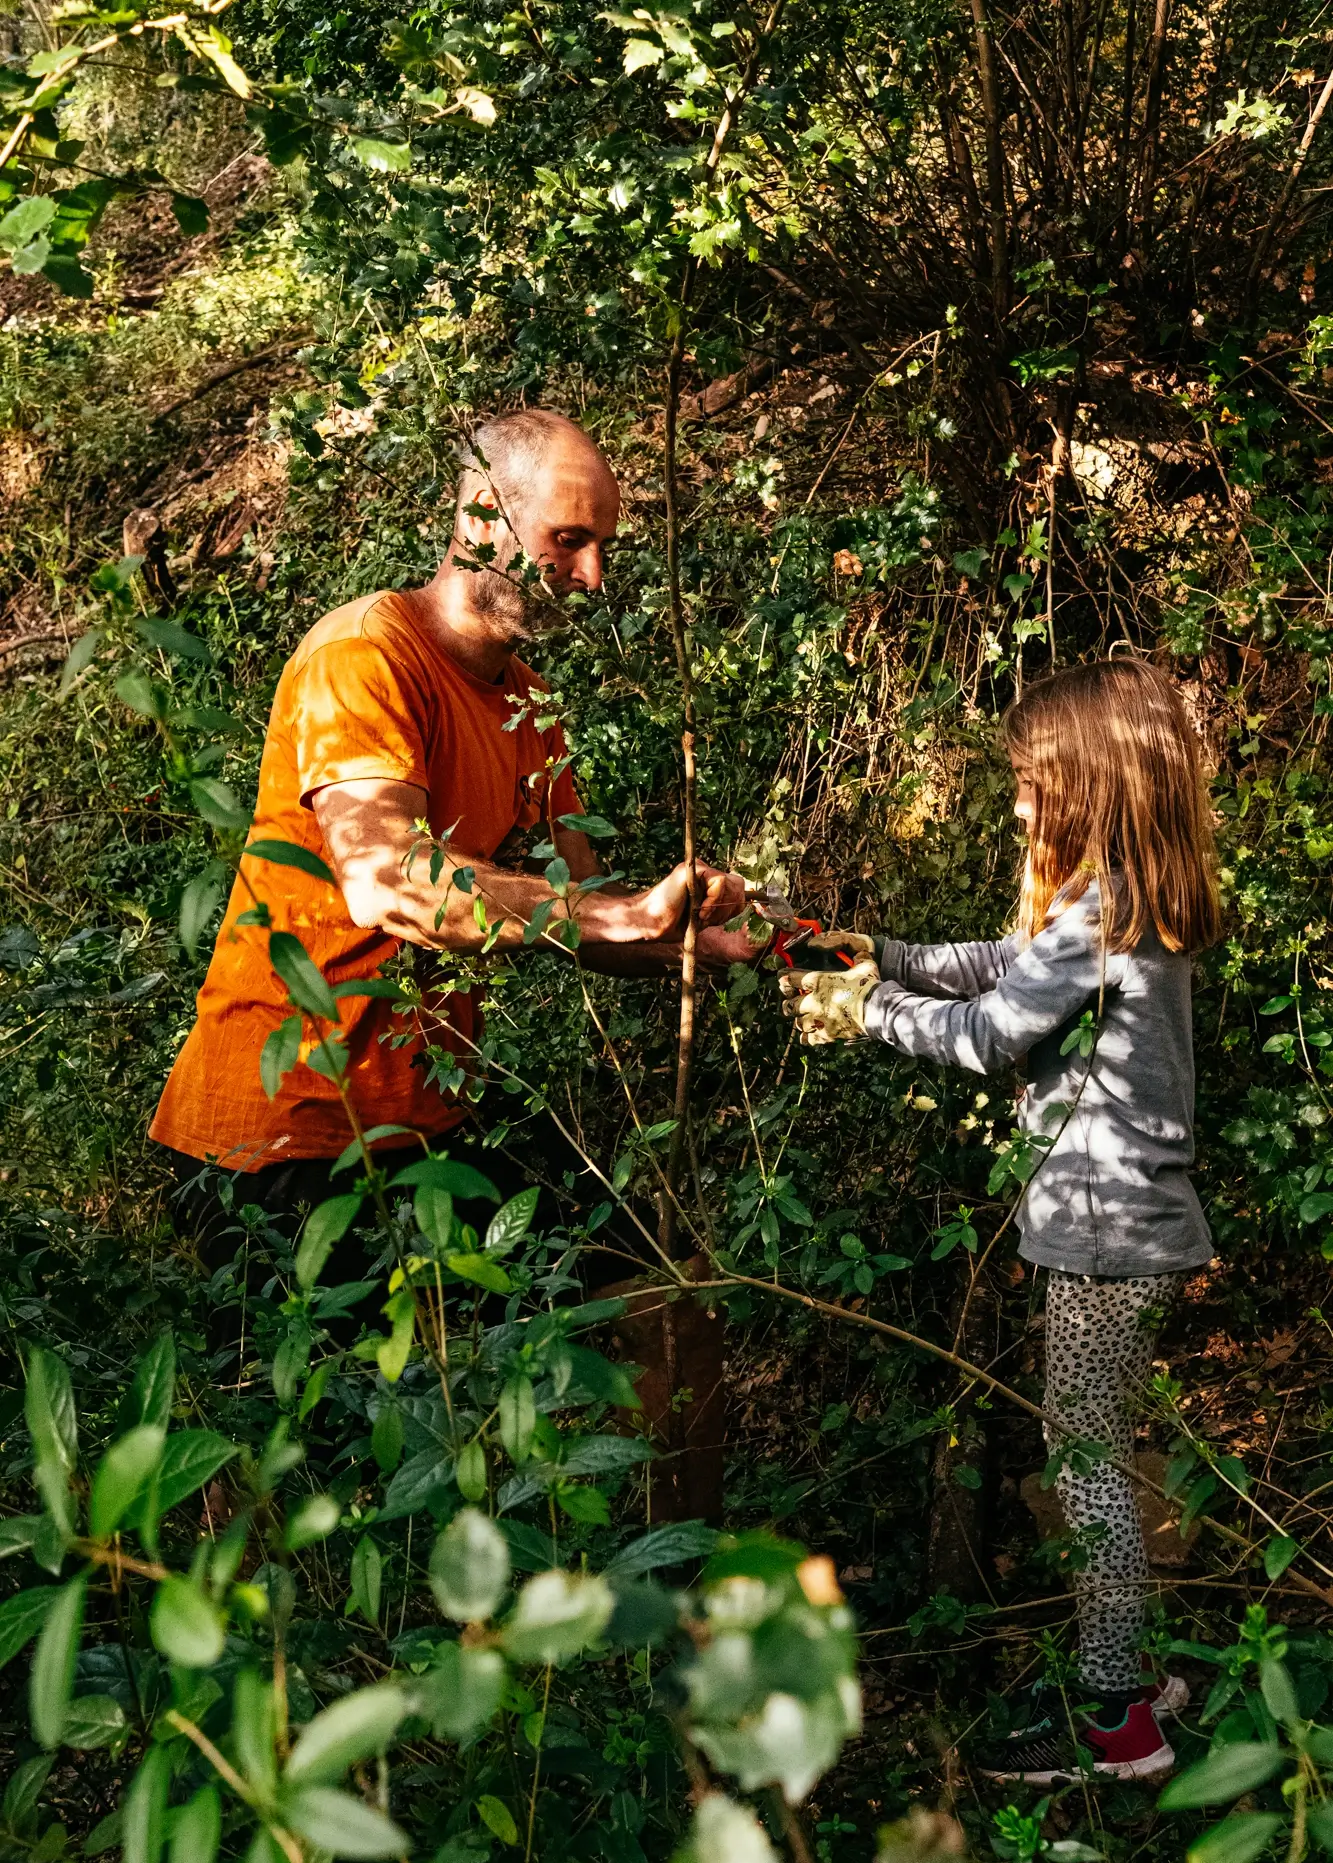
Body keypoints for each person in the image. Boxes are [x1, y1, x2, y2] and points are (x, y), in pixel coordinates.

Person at [151, 408, 752, 1514]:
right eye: (570, 539)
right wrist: (613, 918)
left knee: (664, 1285)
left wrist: (686, 928)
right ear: (483, 516)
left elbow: (588, 904)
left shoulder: (526, 700)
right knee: (357, 1478)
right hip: (279, 1139)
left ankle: (676, 1609)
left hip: (428, 1123)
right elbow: (394, 881)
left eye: (604, 544)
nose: (595, 574)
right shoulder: (362, 657)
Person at [781, 656, 1221, 1782]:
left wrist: (860, 1006)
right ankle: (1139, 1674)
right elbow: (1002, 969)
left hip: (1105, 1229)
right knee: (1097, 1456)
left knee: (1081, 1465)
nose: (1018, 800)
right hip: (1128, 1223)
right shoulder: (1112, 898)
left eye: (1030, 779)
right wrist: (869, 951)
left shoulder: (1106, 902)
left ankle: (1118, 1719)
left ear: (1090, 778)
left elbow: (987, 1032)